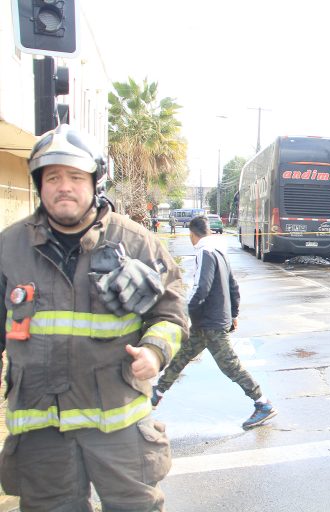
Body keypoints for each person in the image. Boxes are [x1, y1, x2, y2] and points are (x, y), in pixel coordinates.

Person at [0, 124, 188, 511]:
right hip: (41, 430)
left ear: (95, 181)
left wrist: (154, 352)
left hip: (118, 425)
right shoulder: (9, 246)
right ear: (39, 184)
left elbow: (171, 312)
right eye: (52, 177)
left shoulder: (136, 242)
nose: (63, 186)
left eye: (74, 176)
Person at [152, 215, 277, 429]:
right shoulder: (219, 252)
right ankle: (156, 394)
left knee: (231, 366)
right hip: (207, 323)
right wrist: (234, 314)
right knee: (182, 357)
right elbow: (233, 286)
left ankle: (262, 403)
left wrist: (184, 312)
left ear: (192, 234)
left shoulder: (204, 252)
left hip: (211, 324)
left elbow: (201, 288)